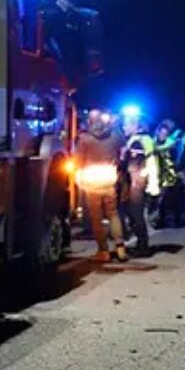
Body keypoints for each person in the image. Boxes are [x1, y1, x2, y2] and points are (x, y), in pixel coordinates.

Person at [74, 109, 127, 262]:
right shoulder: (115, 136)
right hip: (109, 179)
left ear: (89, 121)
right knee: (113, 214)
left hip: (91, 182)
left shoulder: (84, 139)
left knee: (96, 217)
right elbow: (122, 153)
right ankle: (120, 247)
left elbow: (77, 162)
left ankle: (103, 251)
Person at [120, 115, 159, 257]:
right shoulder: (145, 139)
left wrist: (123, 158)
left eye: (126, 125)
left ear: (136, 127)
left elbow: (134, 164)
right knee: (136, 214)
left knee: (136, 214)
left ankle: (143, 247)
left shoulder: (137, 142)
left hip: (137, 181)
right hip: (142, 180)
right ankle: (142, 244)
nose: (124, 127)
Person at [155, 120, 185, 228]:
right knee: (162, 199)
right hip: (159, 174)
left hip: (173, 174)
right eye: (161, 133)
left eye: (165, 134)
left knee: (175, 198)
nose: (163, 135)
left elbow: (177, 158)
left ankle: (178, 219)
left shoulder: (172, 144)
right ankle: (161, 219)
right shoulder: (154, 143)